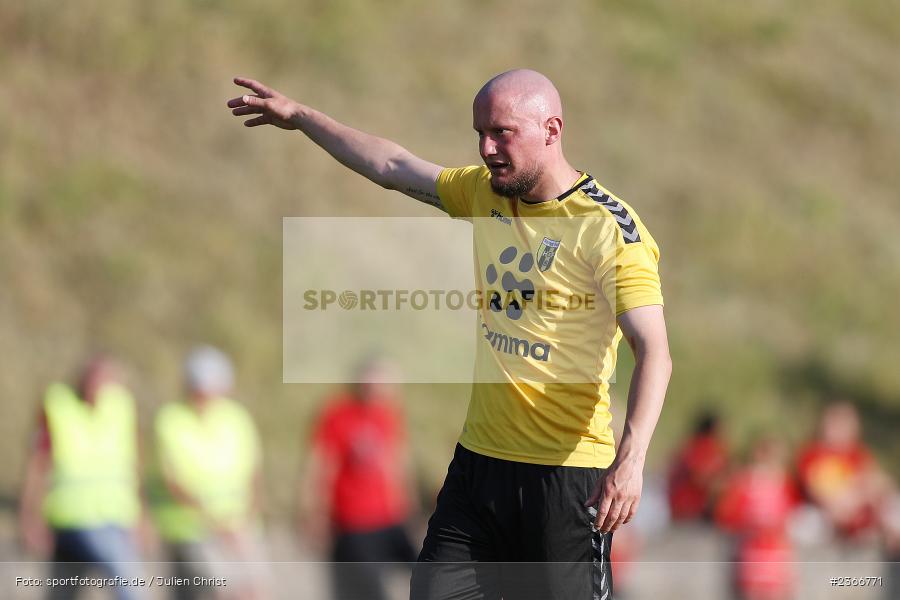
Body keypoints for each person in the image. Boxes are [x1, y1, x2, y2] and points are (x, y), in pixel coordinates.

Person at [228, 68, 672, 600]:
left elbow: (654, 351)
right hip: (479, 467)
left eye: (502, 132)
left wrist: (631, 461)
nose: (486, 149)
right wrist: (302, 117)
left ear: (551, 130)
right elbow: (391, 165)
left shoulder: (608, 229)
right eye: (480, 133)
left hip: (565, 477)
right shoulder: (483, 193)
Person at [19, 356, 145, 600]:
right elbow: (38, 465)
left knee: (62, 593)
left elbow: (133, 466)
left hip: (114, 516)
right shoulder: (58, 406)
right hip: (73, 519)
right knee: (130, 586)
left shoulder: (121, 407)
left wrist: (142, 516)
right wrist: (29, 516)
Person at [150, 346, 266, 600]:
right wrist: (217, 523)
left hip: (239, 526)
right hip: (192, 528)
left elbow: (254, 474)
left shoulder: (236, 417)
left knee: (253, 588)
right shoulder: (171, 419)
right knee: (216, 590)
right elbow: (174, 481)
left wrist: (246, 519)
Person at [299, 357, 417, 600]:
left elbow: (398, 464)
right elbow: (320, 466)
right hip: (354, 522)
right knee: (369, 590)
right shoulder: (337, 414)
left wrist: (409, 505)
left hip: (391, 518)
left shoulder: (388, 415)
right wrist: (314, 513)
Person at [715, 436, 799, 600]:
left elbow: (792, 515)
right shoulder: (744, 483)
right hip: (751, 550)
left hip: (776, 551)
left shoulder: (785, 484)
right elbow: (727, 515)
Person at [795, 401, 892, 540]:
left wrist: (859, 498)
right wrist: (841, 504)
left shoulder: (858, 454)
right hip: (824, 514)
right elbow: (816, 491)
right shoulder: (812, 454)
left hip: (856, 511)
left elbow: (875, 482)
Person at [667, 411, 729, 521]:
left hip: (679, 507)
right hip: (691, 508)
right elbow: (700, 478)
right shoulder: (705, 447)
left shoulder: (688, 445)